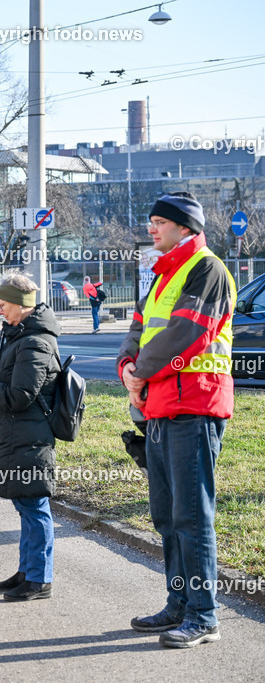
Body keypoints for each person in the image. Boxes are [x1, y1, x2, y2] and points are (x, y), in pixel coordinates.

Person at [118, 192, 236, 648]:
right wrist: (127, 368)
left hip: (195, 407)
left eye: (159, 222)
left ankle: (205, 616)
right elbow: (138, 329)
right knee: (167, 517)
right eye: (151, 221)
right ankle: (179, 604)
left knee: (191, 516)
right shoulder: (163, 273)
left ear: (185, 227)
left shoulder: (206, 268)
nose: (152, 229)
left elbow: (186, 333)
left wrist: (139, 373)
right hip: (160, 408)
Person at [0, 270, 60, 601]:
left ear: (21, 305)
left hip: (29, 436)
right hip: (18, 434)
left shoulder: (35, 342)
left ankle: (40, 579)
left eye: (3, 305)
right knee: (25, 504)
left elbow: (19, 396)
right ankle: (27, 570)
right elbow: (12, 378)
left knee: (34, 506)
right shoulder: (19, 335)